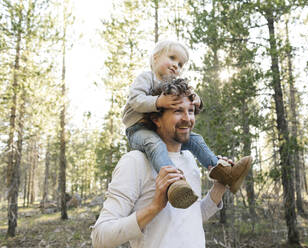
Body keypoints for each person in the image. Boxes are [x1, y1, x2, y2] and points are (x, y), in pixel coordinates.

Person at [91, 79, 250, 248]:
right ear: (156, 119)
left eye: (190, 111)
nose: (187, 118)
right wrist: (155, 207)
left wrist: (220, 186)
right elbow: (100, 237)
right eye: (177, 111)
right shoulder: (135, 162)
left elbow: (192, 218)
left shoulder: (189, 158)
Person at [122, 40, 253, 208]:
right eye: (172, 58)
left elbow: (190, 98)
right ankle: (174, 185)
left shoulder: (172, 85)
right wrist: (158, 101)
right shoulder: (147, 78)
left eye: (180, 64)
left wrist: (197, 100)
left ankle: (223, 172)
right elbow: (135, 100)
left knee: (196, 140)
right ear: (155, 58)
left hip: (161, 130)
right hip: (138, 129)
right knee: (154, 144)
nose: (176, 65)